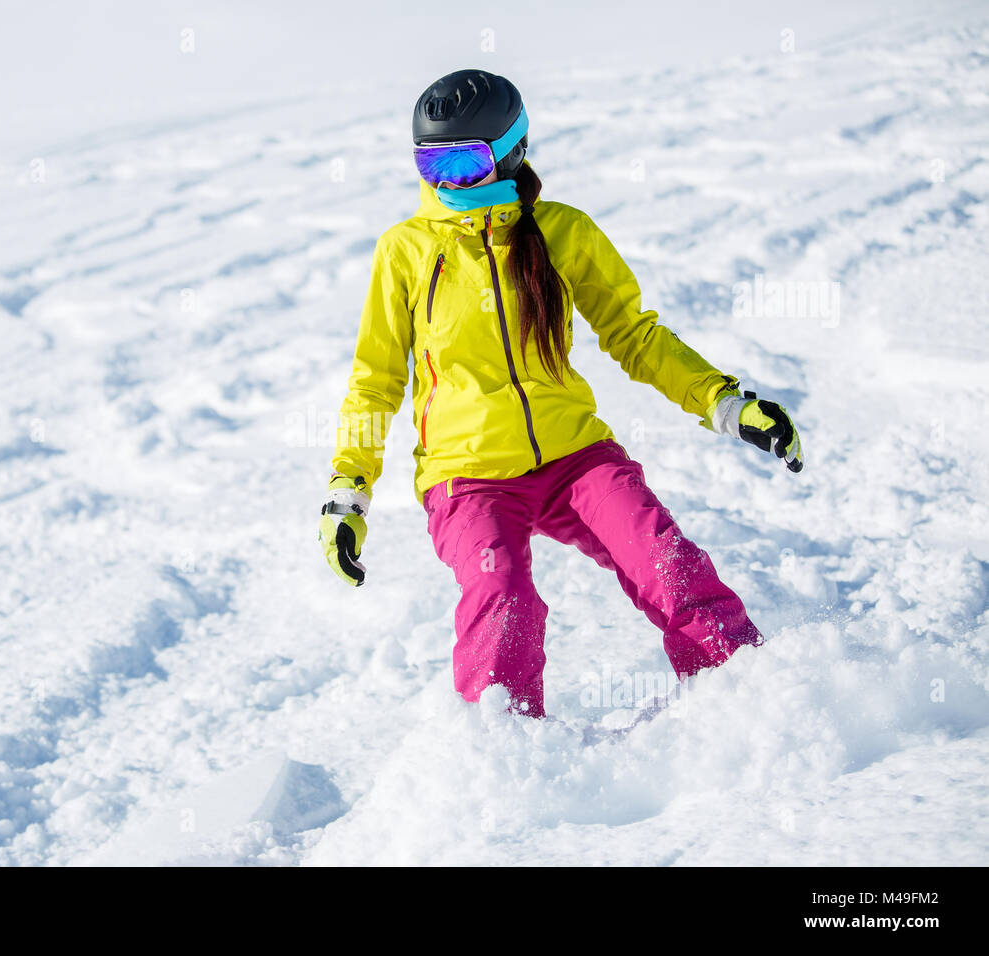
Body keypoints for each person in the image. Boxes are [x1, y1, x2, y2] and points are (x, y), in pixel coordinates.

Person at [318, 69, 803, 718]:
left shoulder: (562, 233)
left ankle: (750, 701)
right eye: (431, 163)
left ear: (511, 151)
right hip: (469, 476)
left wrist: (724, 402)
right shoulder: (405, 251)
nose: (444, 182)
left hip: (575, 458)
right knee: (503, 597)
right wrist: (348, 491)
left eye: (463, 163)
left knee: (669, 565)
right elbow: (373, 383)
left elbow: (635, 335)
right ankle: (501, 752)